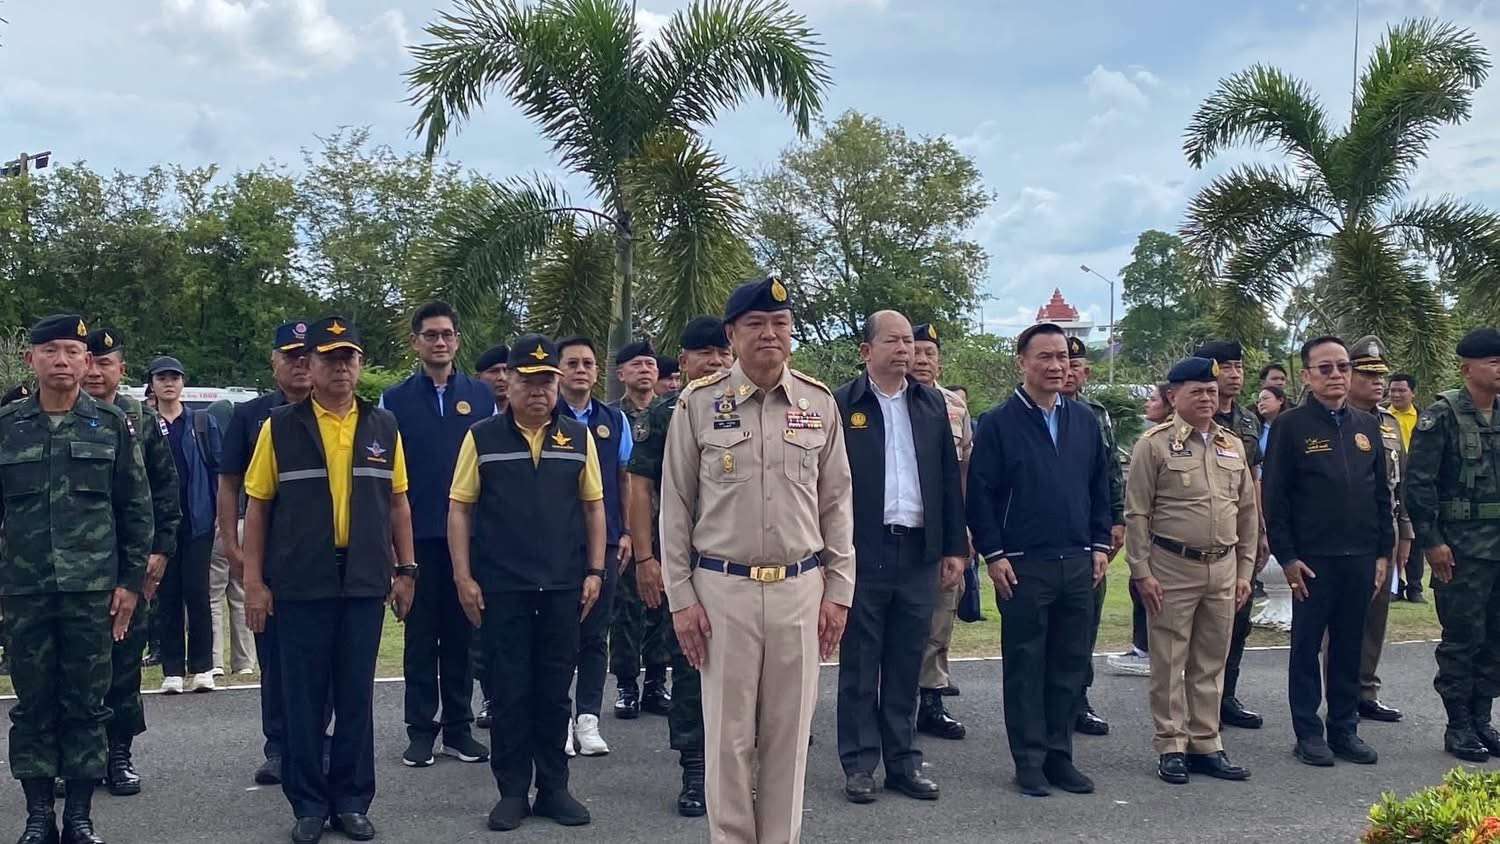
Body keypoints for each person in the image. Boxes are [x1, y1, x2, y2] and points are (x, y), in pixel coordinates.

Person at [660, 277, 855, 843]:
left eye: (780, 324)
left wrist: (839, 591)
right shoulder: (698, 404)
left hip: (801, 588)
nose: (770, 334)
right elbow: (675, 506)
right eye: (755, 324)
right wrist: (681, 598)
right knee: (727, 738)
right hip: (723, 590)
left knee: (789, 738)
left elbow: (837, 503)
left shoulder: (818, 404)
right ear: (732, 334)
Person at [242, 317, 417, 844]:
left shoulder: (383, 426)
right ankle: (309, 805)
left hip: (364, 578)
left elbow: (398, 503)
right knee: (303, 699)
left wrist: (406, 569)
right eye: (329, 358)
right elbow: (258, 507)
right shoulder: (280, 426)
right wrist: (254, 581)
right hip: (300, 580)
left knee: (356, 695)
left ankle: (352, 801)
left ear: (360, 365)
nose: (340, 367)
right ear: (310, 365)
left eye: (349, 358)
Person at [447, 333, 606, 832]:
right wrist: (463, 576)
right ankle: (513, 791)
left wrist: (596, 571)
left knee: (555, 691)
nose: (539, 391)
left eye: (547, 382)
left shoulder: (578, 437)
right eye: (529, 381)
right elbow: (460, 509)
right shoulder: (482, 437)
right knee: (509, 692)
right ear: (508, 382)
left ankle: (554, 789)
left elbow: (594, 508)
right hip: (502, 587)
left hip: (562, 585)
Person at [3, 314, 153, 844]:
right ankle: (39, 815)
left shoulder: (111, 424)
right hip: (24, 593)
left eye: (72, 351)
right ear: (31, 359)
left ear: (87, 361)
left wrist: (130, 584)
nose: (61, 361)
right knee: (33, 706)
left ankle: (80, 818)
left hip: (93, 594)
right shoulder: (8, 426)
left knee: (88, 705)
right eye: (50, 351)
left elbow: (136, 509)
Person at [968, 322, 1112, 798]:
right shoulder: (998, 422)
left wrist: (1099, 545)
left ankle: (1059, 756)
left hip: (1077, 561)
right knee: (1027, 665)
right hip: (1022, 564)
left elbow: (1099, 488)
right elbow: (980, 496)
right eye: (1044, 357)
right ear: (1022, 363)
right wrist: (994, 555)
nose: (1056, 366)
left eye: (1062, 357)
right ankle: (1028, 761)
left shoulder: (1084, 420)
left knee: (1069, 665)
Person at [834, 311, 966, 805]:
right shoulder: (842, 404)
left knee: (907, 660)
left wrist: (953, 547)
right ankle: (859, 764)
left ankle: (904, 761)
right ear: (866, 351)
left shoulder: (932, 405)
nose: (904, 350)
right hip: (861, 549)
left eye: (908, 341)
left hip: (917, 550)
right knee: (860, 662)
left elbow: (949, 479)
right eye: (892, 341)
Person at [1125, 356, 1257, 786]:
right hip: (1172, 566)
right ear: (1173, 396)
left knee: (1211, 660)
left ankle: (1206, 742)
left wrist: (1244, 571)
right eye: (1197, 391)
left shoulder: (1231, 444)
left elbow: (1248, 513)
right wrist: (1141, 571)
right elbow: (1137, 513)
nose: (1206, 399)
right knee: (1169, 660)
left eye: (1212, 392)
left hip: (1222, 567)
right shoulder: (1154, 444)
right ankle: (1171, 745)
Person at [1263, 335, 1392, 767]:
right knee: (1306, 648)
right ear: (1307, 376)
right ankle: (1308, 732)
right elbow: (1275, 498)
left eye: (1343, 367)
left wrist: (1382, 554)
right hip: (1312, 559)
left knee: (1350, 646)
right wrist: (1287, 557)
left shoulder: (1367, 425)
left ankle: (1344, 728)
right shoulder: (1290, 426)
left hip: (1360, 556)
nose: (1336, 375)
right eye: (1325, 368)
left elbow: (1381, 495)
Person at [624, 316, 734, 817]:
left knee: (745, 670)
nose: (716, 361)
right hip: (685, 562)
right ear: (684, 361)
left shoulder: (750, 407)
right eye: (704, 353)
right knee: (692, 663)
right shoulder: (666, 414)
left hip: (740, 563)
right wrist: (646, 558)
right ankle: (695, 769)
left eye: (723, 352)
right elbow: (640, 487)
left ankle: (741, 769)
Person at [381, 301, 494, 769]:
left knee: (463, 638)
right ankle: (420, 731)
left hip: (468, 541)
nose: (440, 342)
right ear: (416, 342)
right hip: (419, 539)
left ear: (458, 341)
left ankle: (459, 730)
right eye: (430, 335)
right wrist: (396, 556)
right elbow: (388, 483)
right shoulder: (394, 401)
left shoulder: (482, 397)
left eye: (447, 334)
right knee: (421, 639)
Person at [81, 327, 182, 798]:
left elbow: (164, 489)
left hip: (129, 563)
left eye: (106, 363)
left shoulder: (140, 419)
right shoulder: (62, 414)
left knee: (123, 663)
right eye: (89, 361)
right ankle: (76, 758)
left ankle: (119, 753)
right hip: (76, 564)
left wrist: (160, 551)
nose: (95, 371)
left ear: (121, 369)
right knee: (75, 669)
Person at [217, 320, 314, 786]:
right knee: (274, 657)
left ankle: (318, 741)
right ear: (273, 362)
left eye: (307, 356)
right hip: (270, 556)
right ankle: (279, 745)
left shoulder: (339, 414)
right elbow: (228, 483)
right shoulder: (252, 415)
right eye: (290, 356)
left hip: (322, 557)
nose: (300, 364)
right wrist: (233, 547)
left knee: (324, 657)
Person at [1405, 326, 1500, 763]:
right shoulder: (1442, 416)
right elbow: (1418, 485)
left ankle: (1482, 719)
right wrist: (1431, 542)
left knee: (1495, 639)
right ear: (1467, 369)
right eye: (1493, 362)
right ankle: (1458, 725)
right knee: (1463, 638)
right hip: (1460, 551)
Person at [552, 335, 633, 757]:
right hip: (557, 544)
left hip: (605, 544)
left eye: (587, 363)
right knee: (559, 634)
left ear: (597, 371)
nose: (580, 370)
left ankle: (588, 719)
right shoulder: (544, 416)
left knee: (595, 634)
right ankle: (559, 718)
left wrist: (628, 532)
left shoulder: (613, 420)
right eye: (572, 363)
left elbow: (624, 479)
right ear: (558, 370)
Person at [1195, 340, 1267, 730]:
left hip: (1239, 531)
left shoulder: (1249, 421)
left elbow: (1254, 479)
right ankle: (1198, 703)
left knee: (1239, 619)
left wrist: (1260, 531)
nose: (1235, 374)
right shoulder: (1191, 415)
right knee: (1199, 628)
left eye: (1239, 366)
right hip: (1201, 534)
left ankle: (1226, 696)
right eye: (1226, 367)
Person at [909, 322, 971, 740]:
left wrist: (963, 530)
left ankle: (931, 699)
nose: (922, 360)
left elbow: (964, 471)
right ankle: (889, 700)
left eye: (930, 353)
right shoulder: (882, 402)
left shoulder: (955, 408)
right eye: (915, 351)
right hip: (899, 528)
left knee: (941, 612)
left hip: (945, 528)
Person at [1061, 335, 1124, 736]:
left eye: (1075, 366)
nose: (1067, 372)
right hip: (1049, 536)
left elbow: (1111, 470)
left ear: (1085, 372)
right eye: (1061, 363)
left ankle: (1078, 697)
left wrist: (1117, 519)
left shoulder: (1096, 414)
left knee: (1086, 618)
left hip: (1090, 532)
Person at [147, 355, 222, 695]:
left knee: (198, 592)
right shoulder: (147, 424)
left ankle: (203, 667)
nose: (169, 383)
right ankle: (172, 669)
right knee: (167, 597)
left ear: (182, 382)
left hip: (197, 520)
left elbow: (219, 471)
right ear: (152, 384)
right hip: (160, 524)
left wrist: (220, 515)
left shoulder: (201, 423)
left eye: (174, 377)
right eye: (162, 378)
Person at [1347, 336, 1412, 724]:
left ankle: (1366, 690)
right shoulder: (1335, 419)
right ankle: (1341, 694)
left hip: (1385, 532)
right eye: (1368, 376)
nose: (1378, 383)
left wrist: (1405, 533)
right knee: (1343, 619)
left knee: (1376, 616)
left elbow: (1399, 483)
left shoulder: (1388, 423)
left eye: (1380, 376)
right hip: (1345, 533)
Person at [608, 340, 671, 722]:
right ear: (621, 374)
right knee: (627, 609)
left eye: (650, 364)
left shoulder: (670, 413)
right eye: (636, 365)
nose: (645, 370)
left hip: (667, 523)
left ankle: (656, 683)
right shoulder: (612, 417)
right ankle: (626, 685)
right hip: (628, 527)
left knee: (662, 606)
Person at [1107, 382, 1174, 678]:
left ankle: (1153, 650)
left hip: (1166, 535)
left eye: (1153, 399)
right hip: (1146, 530)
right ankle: (1143, 647)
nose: (1148, 404)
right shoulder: (1150, 440)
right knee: (1139, 585)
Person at [1387, 372, 1424, 601]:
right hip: (1393, 481)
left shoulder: (1424, 417)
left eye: (1401, 390)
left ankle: (1415, 587)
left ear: (1412, 393)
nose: (1396, 395)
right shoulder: (1382, 417)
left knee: (1415, 534)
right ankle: (1395, 586)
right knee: (1394, 535)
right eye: (1392, 390)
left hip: (1416, 481)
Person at [1255, 386, 1289, 462]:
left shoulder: (1293, 426)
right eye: (1258, 401)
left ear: (1280, 400)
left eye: (1265, 399)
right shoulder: (1256, 429)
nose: (1261, 404)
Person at [475, 344, 510, 415]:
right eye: (494, 371)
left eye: (506, 371)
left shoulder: (526, 414)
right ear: (477, 378)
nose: (502, 377)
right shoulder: (470, 414)